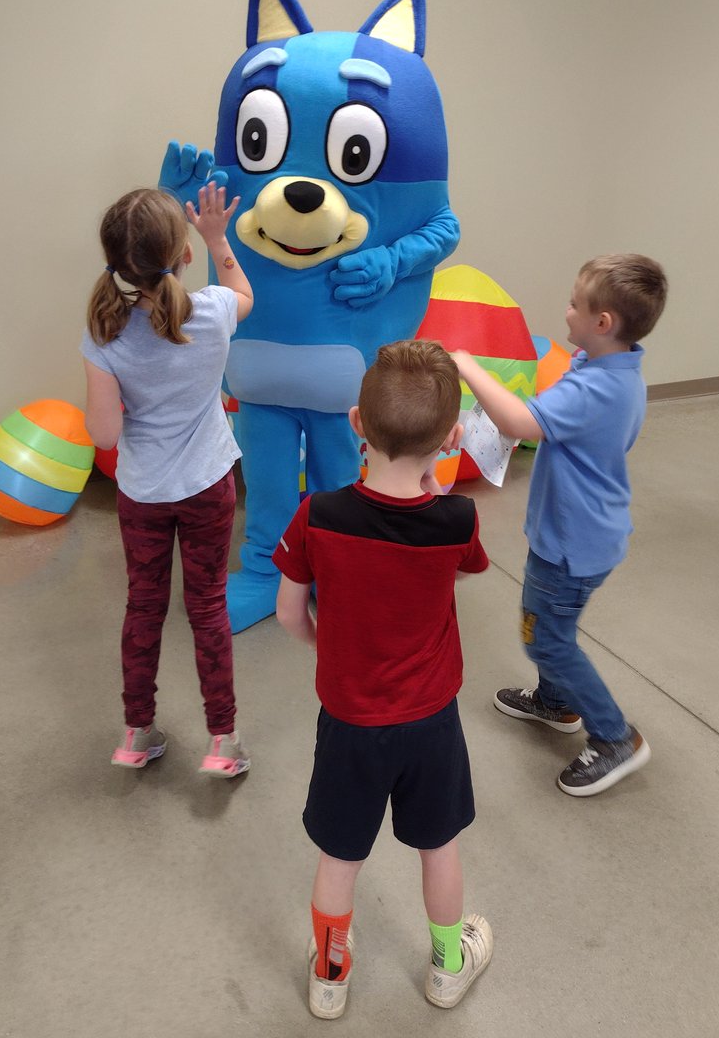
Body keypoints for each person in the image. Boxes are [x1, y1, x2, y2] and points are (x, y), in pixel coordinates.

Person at [274, 340, 492, 1020]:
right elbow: (451, 570)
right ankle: (449, 968)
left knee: (340, 857)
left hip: (349, 720)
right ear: (452, 437)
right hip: (430, 721)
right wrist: (435, 498)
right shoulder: (457, 519)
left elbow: (289, 615)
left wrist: (328, 646)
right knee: (440, 847)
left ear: (355, 423)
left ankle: (331, 977)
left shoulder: (320, 516)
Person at [452, 253, 668, 798]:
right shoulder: (608, 366)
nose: (565, 310)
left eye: (575, 303)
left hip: (571, 546)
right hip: (581, 534)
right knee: (551, 626)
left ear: (603, 324)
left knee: (546, 639)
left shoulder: (597, 388)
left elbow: (522, 422)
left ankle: (615, 737)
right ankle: (553, 702)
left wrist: (467, 364)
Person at [81, 183, 253, 777]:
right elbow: (243, 292)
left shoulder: (103, 332)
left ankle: (135, 733)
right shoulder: (211, 310)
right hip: (207, 485)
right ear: (181, 256)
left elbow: (103, 435)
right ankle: (223, 742)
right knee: (207, 607)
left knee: (144, 606)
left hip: (143, 492)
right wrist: (216, 236)